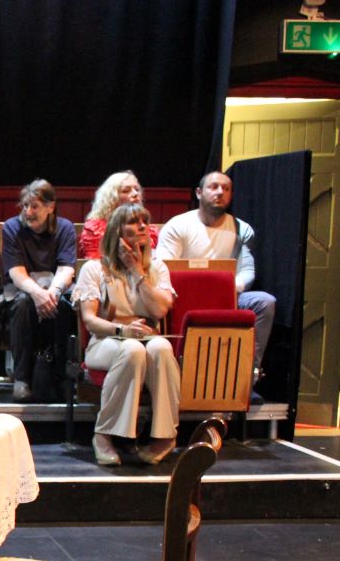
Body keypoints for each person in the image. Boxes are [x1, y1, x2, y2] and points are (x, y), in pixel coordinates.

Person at [72, 203, 180, 466]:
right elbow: (90, 321)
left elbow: (159, 310)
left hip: (147, 338)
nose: (142, 227)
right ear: (117, 231)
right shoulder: (95, 269)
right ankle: (103, 435)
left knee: (162, 348)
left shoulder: (157, 268)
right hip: (106, 340)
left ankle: (165, 436)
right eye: (133, 222)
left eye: (144, 221)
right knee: (131, 349)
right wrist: (123, 330)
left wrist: (137, 272)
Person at [155, 170, 276, 388]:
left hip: (226, 296)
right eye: (213, 187)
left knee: (264, 302)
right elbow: (163, 268)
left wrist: (228, 289)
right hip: (183, 296)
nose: (220, 192)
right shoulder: (178, 225)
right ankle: (171, 375)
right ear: (199, 193)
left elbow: (247, 271)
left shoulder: (242, 229)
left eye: (226, 189)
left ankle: (247, 376)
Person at [1, 179, 77, 401]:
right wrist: (38, 294)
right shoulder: (12, 228)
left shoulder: (65, 228)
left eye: (34, 206)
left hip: (54, 289)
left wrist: (51, 293)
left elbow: (66, 268)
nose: (28, 212)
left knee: (66, 305)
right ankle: (22, 379)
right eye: (25, 206)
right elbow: (16, 272)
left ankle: (62, 379)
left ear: (50, 207)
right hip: (23, 289)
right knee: (23, 303)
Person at [78, 171, 160, 261]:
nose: (135, 194)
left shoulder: (149, 230)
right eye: (126, 191)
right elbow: (95, 264)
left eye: (137, 190)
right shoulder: (95, 229)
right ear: (111, 198)